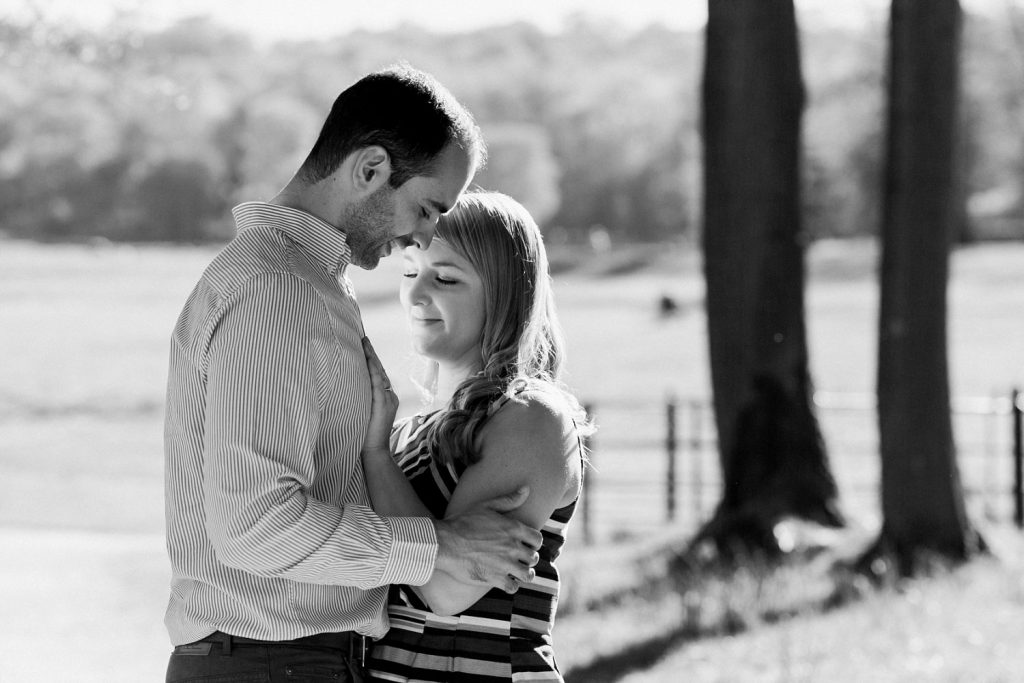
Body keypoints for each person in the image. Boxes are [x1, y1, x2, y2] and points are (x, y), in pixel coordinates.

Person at [163, 65, 544, 683]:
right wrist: (443, 545)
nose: (423, 235)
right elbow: (254, 527)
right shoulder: (277, 291)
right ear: (370, 168)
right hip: (274, 665)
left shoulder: (301, 280)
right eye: (426, 208)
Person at [359, 191, 592, 682]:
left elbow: (448, 589)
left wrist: (375, 454)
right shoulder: (408, 432)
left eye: (444, 278)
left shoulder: (532, 417)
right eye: (409, 273)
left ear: (505, 294)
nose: (415, 296)